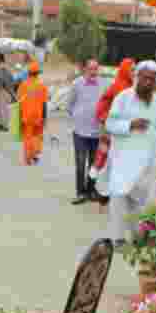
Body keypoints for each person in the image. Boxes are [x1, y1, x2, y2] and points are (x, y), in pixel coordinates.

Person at [95, 60, 156, 246]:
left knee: (139, 200)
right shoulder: (123, 98)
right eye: (145, 78)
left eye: (152, 79)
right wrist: (130, 125)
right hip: (123, 157)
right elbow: (110, 124)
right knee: (118, 197)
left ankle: (136, 236)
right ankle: (117, 237)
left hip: (145, 160)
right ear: (137, 77)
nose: (148, 82)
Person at [90, 58, 136, 208]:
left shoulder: (132, 88)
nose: (133, 72)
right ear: (124, 70)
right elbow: (102, 104)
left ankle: (108, 194)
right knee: (106, 161)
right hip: (112, 132)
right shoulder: (116, 86)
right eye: (131, 69)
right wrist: (104, 119)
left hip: (124, 133)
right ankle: (102, 193)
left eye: (135, 70)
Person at [67, 59, 104, 204]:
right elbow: (69, 105)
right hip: (80, 132)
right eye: (91, 69)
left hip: (96, 132)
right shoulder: (77, 84)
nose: (94, 72)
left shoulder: (103, 84)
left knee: (94, 164)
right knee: (81, 162)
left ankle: (91, 190)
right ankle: (80, 193)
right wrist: (78, 117)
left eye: (96, 69)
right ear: (85, 70)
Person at [18, 61, 48, 165]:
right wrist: (44, 117)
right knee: (37, 136)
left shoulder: (23, 85)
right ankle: (34, 153)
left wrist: (19, 116)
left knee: (28, 136)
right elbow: (44, 104)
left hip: (26, 115)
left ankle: (28, 158)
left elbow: (19, 103)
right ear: (38, 73)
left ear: (29, 73)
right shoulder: (42, 86)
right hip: (38, 115)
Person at [0, 52, 14, 132]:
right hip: (7, 90)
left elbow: (1, 79)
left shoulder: (1, 68)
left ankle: (4, 126)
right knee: (3, 108)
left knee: (2, 108)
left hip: (3, 90)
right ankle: (3, 124)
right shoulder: (5, 67)